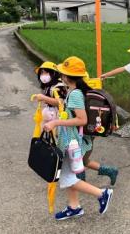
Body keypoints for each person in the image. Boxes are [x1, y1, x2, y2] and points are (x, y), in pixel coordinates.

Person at [43, 56, 113, 220]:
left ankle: (102, 194)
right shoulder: (73, 91)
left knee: (67, 178)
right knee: (68, 175)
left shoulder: (75, 94)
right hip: (70, 141)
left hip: (71, 142)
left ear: (67, 77)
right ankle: (74, 207)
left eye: (62, 74)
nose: (60, 76)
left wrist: (55, 122)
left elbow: (82, 120)